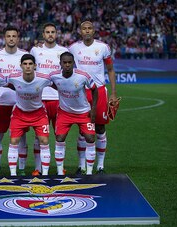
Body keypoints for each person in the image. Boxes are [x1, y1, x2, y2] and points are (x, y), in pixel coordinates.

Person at [69, 21, 117, 174]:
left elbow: (110, 70)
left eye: (90, 28)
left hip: (100, 91)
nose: (87, 31)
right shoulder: (73, 48)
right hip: (81, 92)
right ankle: (81, 165)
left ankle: (101, 165)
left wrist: (114, 93)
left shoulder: (103, 47)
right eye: (84, 28)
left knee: (100, 128)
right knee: (83, 130)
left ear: (94, 31)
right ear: (80, 31)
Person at [29, 23, 68, 176]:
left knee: (60, 135)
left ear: (56, 34)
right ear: (43, 34)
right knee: (39, 136)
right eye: (47, 32)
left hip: (59, 98)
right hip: (40, 98)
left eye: (53, 32)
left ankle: (60, 168)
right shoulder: (35, 50)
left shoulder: (64, 51)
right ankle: (38, 169)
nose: (50, 34)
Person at [50, 52, 98, 175]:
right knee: (60, 138)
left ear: (73, 63)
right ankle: (60, 172)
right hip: (64, 112)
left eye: (69, 62)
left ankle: (89, 172)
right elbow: (41, 80)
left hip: (83, 112)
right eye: (64, 62)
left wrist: (93, 109)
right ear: (60, 63)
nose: (67, 65)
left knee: (90, 138)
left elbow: (94, 89)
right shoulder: (54, 76)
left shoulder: (83, 76)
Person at [0, 26, 28, 175]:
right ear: (4, 38)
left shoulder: (25, 55)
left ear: (18, 38)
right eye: (8, 36)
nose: (11, 38)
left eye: (14, 36)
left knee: (22, 136)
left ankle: (22, 168)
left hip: (19, 103)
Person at [7, 54, 52, 176]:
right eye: (25, 64)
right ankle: (13, 174)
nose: (28, 66)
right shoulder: (13, 77)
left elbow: (59, 84)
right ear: (21, 66)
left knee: (44, 140)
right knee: (14, 140)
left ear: (35, 66)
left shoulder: (44, 78)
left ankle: (45, 174)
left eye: (30, 64)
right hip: (19, 113)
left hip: (38, 113)